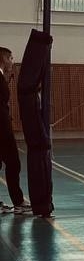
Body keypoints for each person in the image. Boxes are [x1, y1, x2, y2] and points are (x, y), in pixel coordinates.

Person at [0, 47, 30, 215]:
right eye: (10, 58)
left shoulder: (2, 77)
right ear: (3, 59)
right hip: (2, 129)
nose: (12, 61)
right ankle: (19, 202)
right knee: (13, 163)